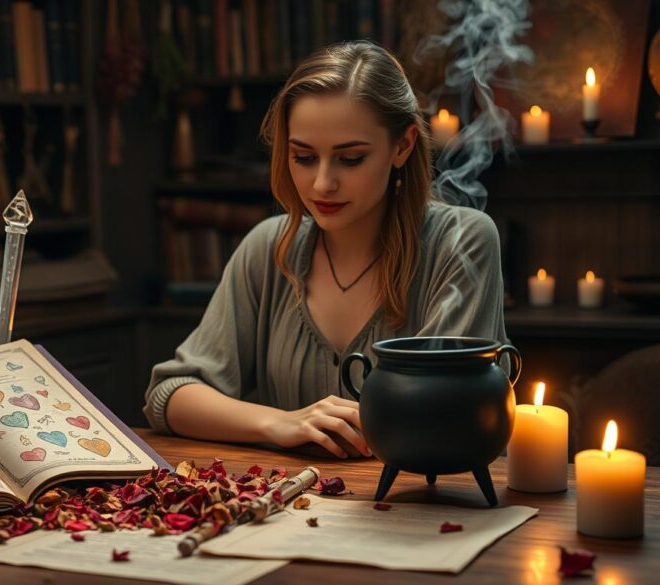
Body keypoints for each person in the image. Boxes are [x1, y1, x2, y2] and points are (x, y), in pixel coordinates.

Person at [144, 41, 508, 458]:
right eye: (303, 157)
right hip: (295, 497)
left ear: (403, 146)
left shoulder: (461, 242)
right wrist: (280, 422)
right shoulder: (269, 247)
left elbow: (443, 415)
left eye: (350, 159)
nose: (322, 184)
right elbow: (170, 395)